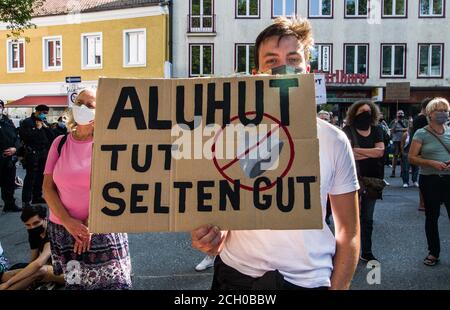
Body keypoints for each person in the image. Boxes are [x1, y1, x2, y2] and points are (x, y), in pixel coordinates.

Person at [191, 17, 360, 290]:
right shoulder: (229, 134)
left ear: (307, 70)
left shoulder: (333, 141)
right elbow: (223, 206)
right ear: (258, 73)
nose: (283, 67)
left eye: (293, 59)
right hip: (236, 277)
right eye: (272, 60)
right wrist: (214, 233)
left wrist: (338, 287)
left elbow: (348, 231)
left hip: (307, 281)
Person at [43, 89, 132, 289]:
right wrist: (69, 222)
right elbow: (47, 188)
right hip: (64, 233)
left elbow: (117, 188)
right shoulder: (60, 142)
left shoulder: (109, 143)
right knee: (75, 285)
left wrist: (88, 225)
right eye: (79, 102)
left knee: (114, 284)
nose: (82, 108)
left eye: (89, 105)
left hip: (102, 228)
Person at [409, 97, 450, 267]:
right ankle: (433, 252)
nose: (443, 114)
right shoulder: (421, 133)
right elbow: (411, 157)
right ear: (429, 114)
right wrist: (431, 163)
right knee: (431, 217)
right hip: (430, 179)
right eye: (438, 111)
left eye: (445, 110)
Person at [343, 101, 385, 262]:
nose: (365, 115)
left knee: (367, 218)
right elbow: (348, 154)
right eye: (362, 112)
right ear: (354, 114)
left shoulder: (377, 130)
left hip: (372, 181)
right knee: (351, 218)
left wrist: (357, 151)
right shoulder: (347, 130)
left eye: (368, 112)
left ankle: (366, 250)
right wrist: (371, 152)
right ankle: (349, 250)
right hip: (351, 179)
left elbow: (380, 152)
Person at [0, 205, 64, 290]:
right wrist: (23, 274)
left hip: (68, 272)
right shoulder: (34, 233)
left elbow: (39, 263)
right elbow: (33, 260)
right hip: (49, 266)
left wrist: (8, 283)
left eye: (36, 223)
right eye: (28, 225)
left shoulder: (53, 232)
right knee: (5, 275)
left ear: (45, 219)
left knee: (39, 270)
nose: (32, 227)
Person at [19, 104, 55, 208]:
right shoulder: (27, 122)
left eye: (46, 114)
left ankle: (37, 196)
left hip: (43, 153)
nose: (45, 115)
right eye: (43, 113)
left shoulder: (44, 123)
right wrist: (37, 129)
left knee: (41, 176)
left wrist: (45, 127)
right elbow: (26, 137)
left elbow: (52, 136)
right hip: (32, 153)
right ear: (37, 112)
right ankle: (26, 200)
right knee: (30, 177)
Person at [0, 100, 21, 212]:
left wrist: (15, 148)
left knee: (9, 182)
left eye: (0, 106)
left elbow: (16, 138)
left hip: (9, 159)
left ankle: (9, 204)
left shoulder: (8, 121)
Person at [412, 98, 432, 211]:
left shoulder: (418, 118)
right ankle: (423, 202)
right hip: (423, 150)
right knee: (425, 175)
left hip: (422, 149)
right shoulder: (422, 119)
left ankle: (424, 202)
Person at [389, 110, 409, 177]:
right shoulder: (393, 121)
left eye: (402, 113)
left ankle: (402, 171)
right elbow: (392, 130)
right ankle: (393, 171)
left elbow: (408, 129)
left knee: (403, 156)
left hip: (404, 141)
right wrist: (396, 124)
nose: (400, 114)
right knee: (395, 156)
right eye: (399, 113)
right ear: (397, 114)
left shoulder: (406, 121)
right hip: (396, 140)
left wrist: (399, 129)